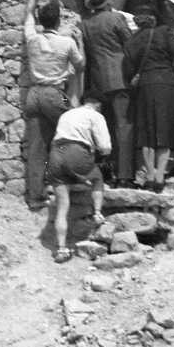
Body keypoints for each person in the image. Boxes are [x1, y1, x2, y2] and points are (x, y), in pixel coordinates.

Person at [22, 0, 84, 211]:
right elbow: (80, 66)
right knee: (73, 134)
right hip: (55, 94)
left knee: (37, 147)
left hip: (34, 94)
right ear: (59, 21)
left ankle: (35, 197)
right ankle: (72, 181)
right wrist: (79, 42)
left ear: (40, 20)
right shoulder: (66, 42)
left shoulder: (32, 38)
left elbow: (28, 12)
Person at [122, 6, 174, 189]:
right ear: (153, 19)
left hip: (145, 86)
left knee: (147, 131)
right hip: (166, 84)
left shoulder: (131, 41)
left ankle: (149, 173)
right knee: (163, 129)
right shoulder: (164, 32)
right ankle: (160, 176)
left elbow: (128, 68)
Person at [81, 0, 136, 185]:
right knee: (124, 126)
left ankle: (104, 171)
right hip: (120, 78)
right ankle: (124, 175)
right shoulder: (116, 18)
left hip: (98, 80)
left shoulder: (85, 24)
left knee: (105, 127)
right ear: (108, 0)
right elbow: (129, 45)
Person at [45, 95, 111, 264]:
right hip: (76, 151)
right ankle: (97, 214)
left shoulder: (67, 114)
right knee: (97, 178)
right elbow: (105, 146)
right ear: (97, 104)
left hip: (55, 153)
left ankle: (61, 249)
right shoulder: (96, 115)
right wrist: (100, 153)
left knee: (62, 206)